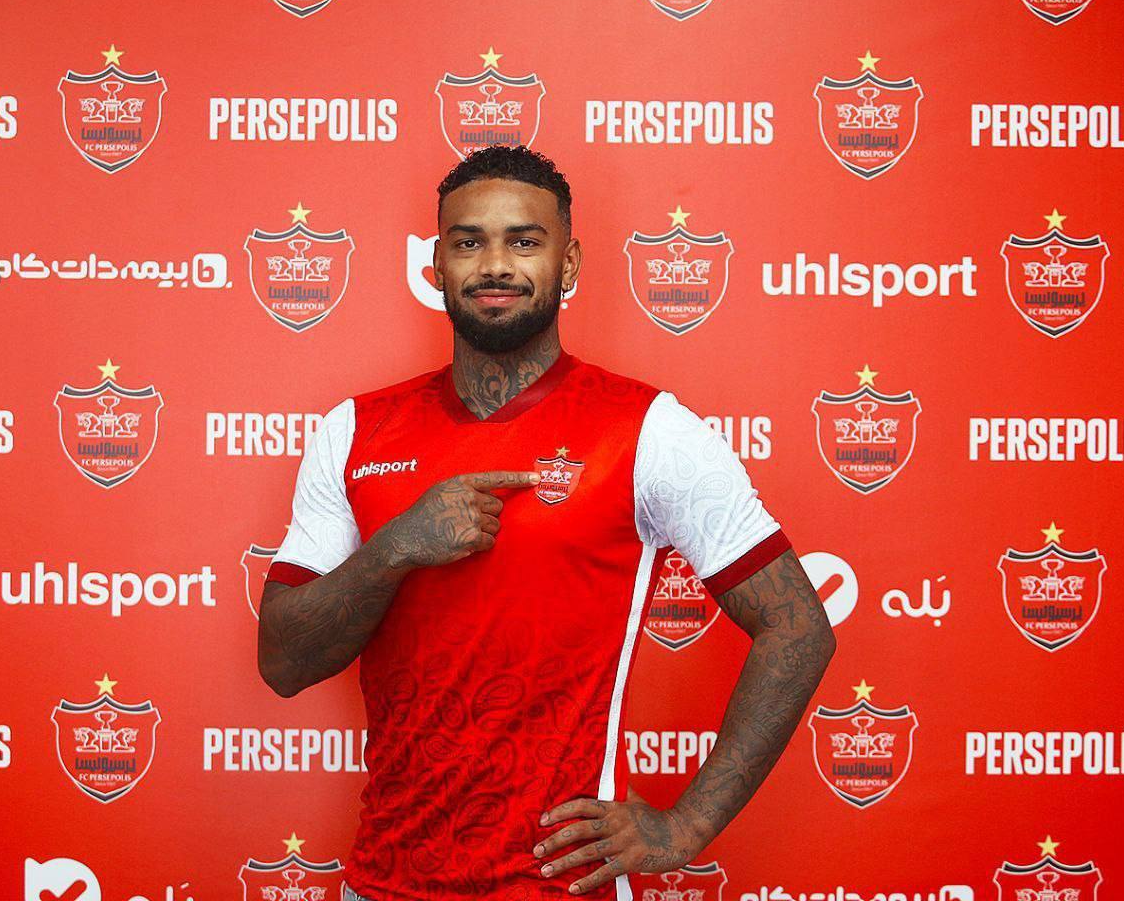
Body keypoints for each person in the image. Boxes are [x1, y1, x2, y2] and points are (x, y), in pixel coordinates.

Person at [257, 144, 836, 901]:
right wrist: (392, 549)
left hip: (560, 887)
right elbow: (283, 663)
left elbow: (798, 627)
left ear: (569, 263)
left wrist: (687, 826)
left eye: (524, 241)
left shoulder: (648, 430)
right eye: (469, 241)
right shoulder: (354, 431)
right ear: (436, 265)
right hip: (384, 881)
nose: (495, 264)